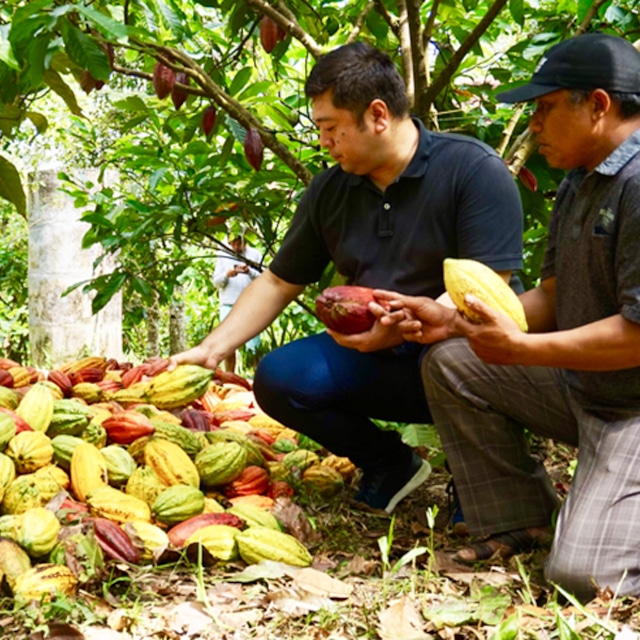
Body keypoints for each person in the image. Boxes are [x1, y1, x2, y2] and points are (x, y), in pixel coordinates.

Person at [171, 42, 524, 514]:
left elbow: (488, 283)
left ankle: (478, 474)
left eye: (330, 128)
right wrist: (210, 350)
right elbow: (279, 281)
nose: (324, 142)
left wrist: (411, 324)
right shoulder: (330, 190)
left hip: (461, 347)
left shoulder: (472, 170)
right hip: (378, 356)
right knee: (280, 377)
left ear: (378, 115)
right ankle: (390, 463)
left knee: (456, 354)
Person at [374, 32, 640, 601]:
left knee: (580, 578)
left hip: (633, 407)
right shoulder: (579, 181)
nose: (535, 125)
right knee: (452, 361)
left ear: (598, 104)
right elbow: (553, 295)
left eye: (544, 109)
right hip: (589, 390)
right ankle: (522, 518)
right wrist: (457, 321)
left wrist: (522, 349)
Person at [212, 233, 262, 373]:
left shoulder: (255, 254)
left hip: (250, 304)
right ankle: (229, 376)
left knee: (253, 346)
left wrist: (249, 271)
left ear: (244, 240)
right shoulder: (222, 255)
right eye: (232, 243)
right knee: (227, 344)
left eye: (238, 243)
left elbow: (263, 279)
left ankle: (256, 378)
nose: (235, 246)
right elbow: (216, 282)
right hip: (228, 303)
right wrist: (227, 275)